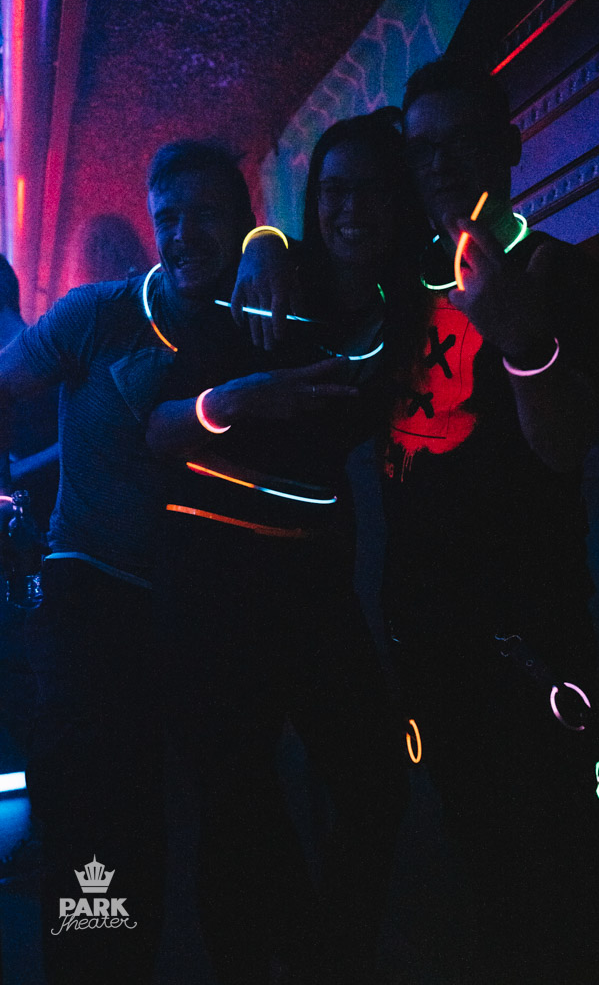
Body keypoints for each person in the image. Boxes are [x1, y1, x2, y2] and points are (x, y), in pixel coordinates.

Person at [0, 138, 358, 985]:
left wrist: (270, 246)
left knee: (237, 816)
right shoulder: (95, 315)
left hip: (208, 607)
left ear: (240, 220)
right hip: (94, 601)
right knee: (100, 837)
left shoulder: (256, 315)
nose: (184, 232)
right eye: (169, 217)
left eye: (206, 215)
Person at [145, 115, 418, 984]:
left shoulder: (402, 302)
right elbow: (157, 430)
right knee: (239, 812)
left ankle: (325, 957)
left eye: (369, 190)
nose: (350, 208)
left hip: (311, 585)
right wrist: (242, 396)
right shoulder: (265, 279)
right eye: (333, 191)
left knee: (373, 784)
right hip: (214, 588)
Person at [381, 53, 599, 983]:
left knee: (554, 880)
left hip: (533, 641)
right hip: (426, 639)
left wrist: (517, 331)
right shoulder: (401, 288)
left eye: (460, 142)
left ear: (509, 146)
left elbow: (564, 448)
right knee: (474, 870)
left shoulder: (561, 273)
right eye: (421, 149)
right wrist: (264, 246)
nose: (438, 165)